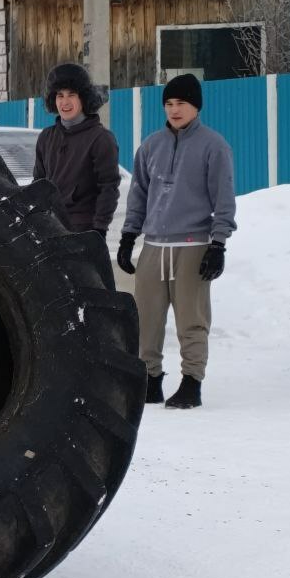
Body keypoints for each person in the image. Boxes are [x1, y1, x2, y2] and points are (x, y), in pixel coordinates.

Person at [116, 73, 236, 410]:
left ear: (196, 106)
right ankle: (150, 379)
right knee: (147, 318)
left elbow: (224, 200)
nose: (174, 109)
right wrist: (128, 236)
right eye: (168, 103)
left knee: (191, 319)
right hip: (154, 246)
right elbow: (139, 195)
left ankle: (191, 382)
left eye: (181, 102)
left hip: (193, 245)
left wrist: (218, 244)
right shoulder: (151, 146)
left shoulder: (214, 146)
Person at [33, 62, 120, 238]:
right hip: (49, 229)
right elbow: (38, 184)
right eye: (60, 95)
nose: (65, 102)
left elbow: (108, 188)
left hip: (84, 231)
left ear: (83, 98)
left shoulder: (101, 138)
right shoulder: (46, 137)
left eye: (71, 95)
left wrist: (99, 229)